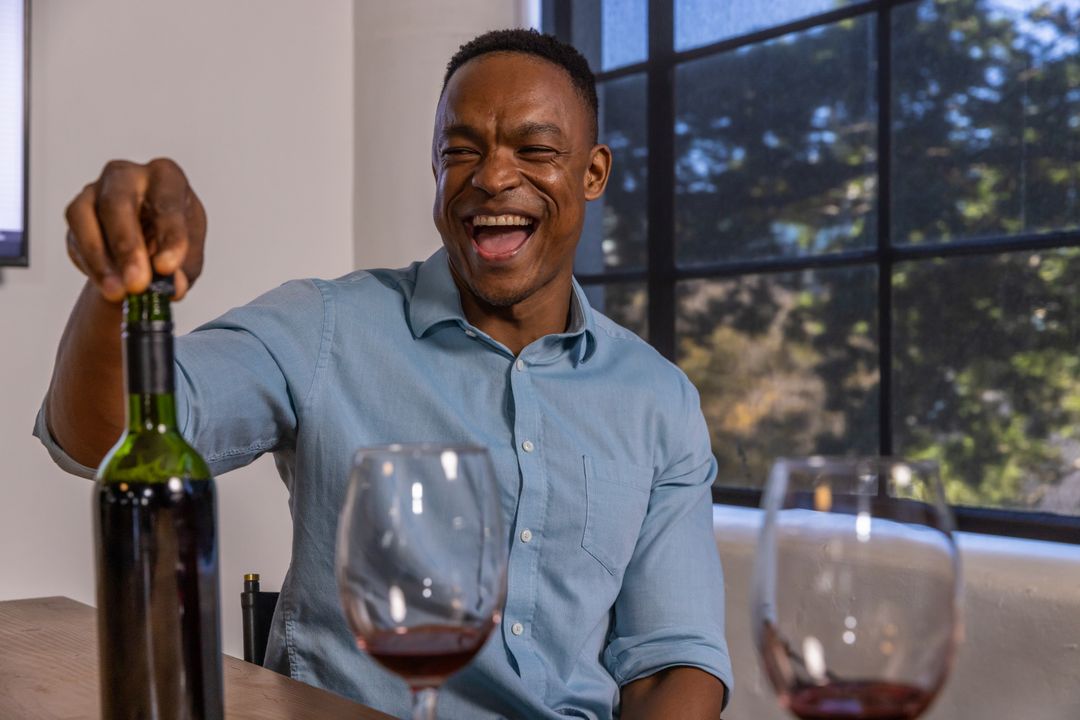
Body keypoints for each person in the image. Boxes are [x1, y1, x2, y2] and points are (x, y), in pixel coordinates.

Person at [37, 28, 732, 719]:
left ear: (592, 173)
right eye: (460, 151)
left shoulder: (658, 399)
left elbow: (673, 664)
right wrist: (117, 284)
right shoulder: (324, 327)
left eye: (536, 149)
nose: (492, 176)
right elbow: (103, 437)